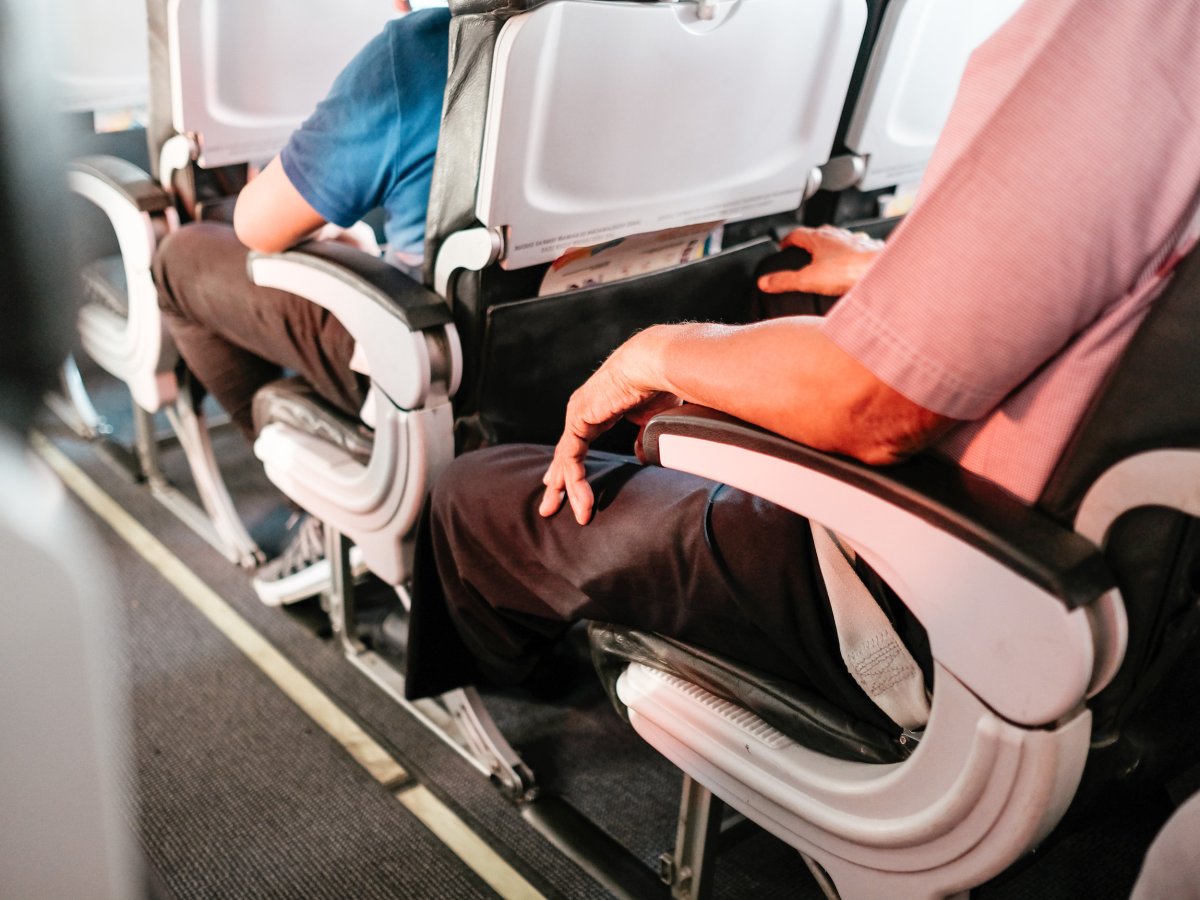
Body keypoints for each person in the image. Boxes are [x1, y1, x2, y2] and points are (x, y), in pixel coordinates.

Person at [402, 0, 1200, 731]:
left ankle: (546, 692)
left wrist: (651, 356)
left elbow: (869, 409)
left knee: (476, 493)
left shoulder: (1124, 25)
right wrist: (890, 271)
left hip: (938, 578)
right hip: (1148, 609)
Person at [153, 2, 451, 605]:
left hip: (426, 360)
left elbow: (257, 223)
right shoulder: (656, 37)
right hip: (576, 357)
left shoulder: (425, 49)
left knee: (180, 258)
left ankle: (328, 503)